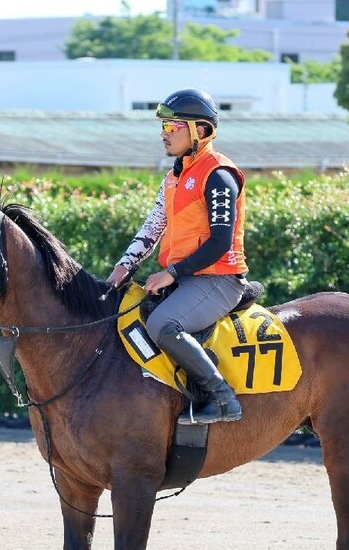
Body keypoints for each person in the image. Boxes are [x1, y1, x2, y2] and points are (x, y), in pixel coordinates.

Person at [106, 88, 248, 425]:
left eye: (172, 127)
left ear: (200, 131)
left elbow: (220, 243)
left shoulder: (219, 175)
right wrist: (124, 266)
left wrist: (172, 272)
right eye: (163, 127)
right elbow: (153, 226)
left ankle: (221, 396)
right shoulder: (173, 176)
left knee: (163, 325)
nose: (163, 134)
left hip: (220, 280)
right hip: (188, 279)